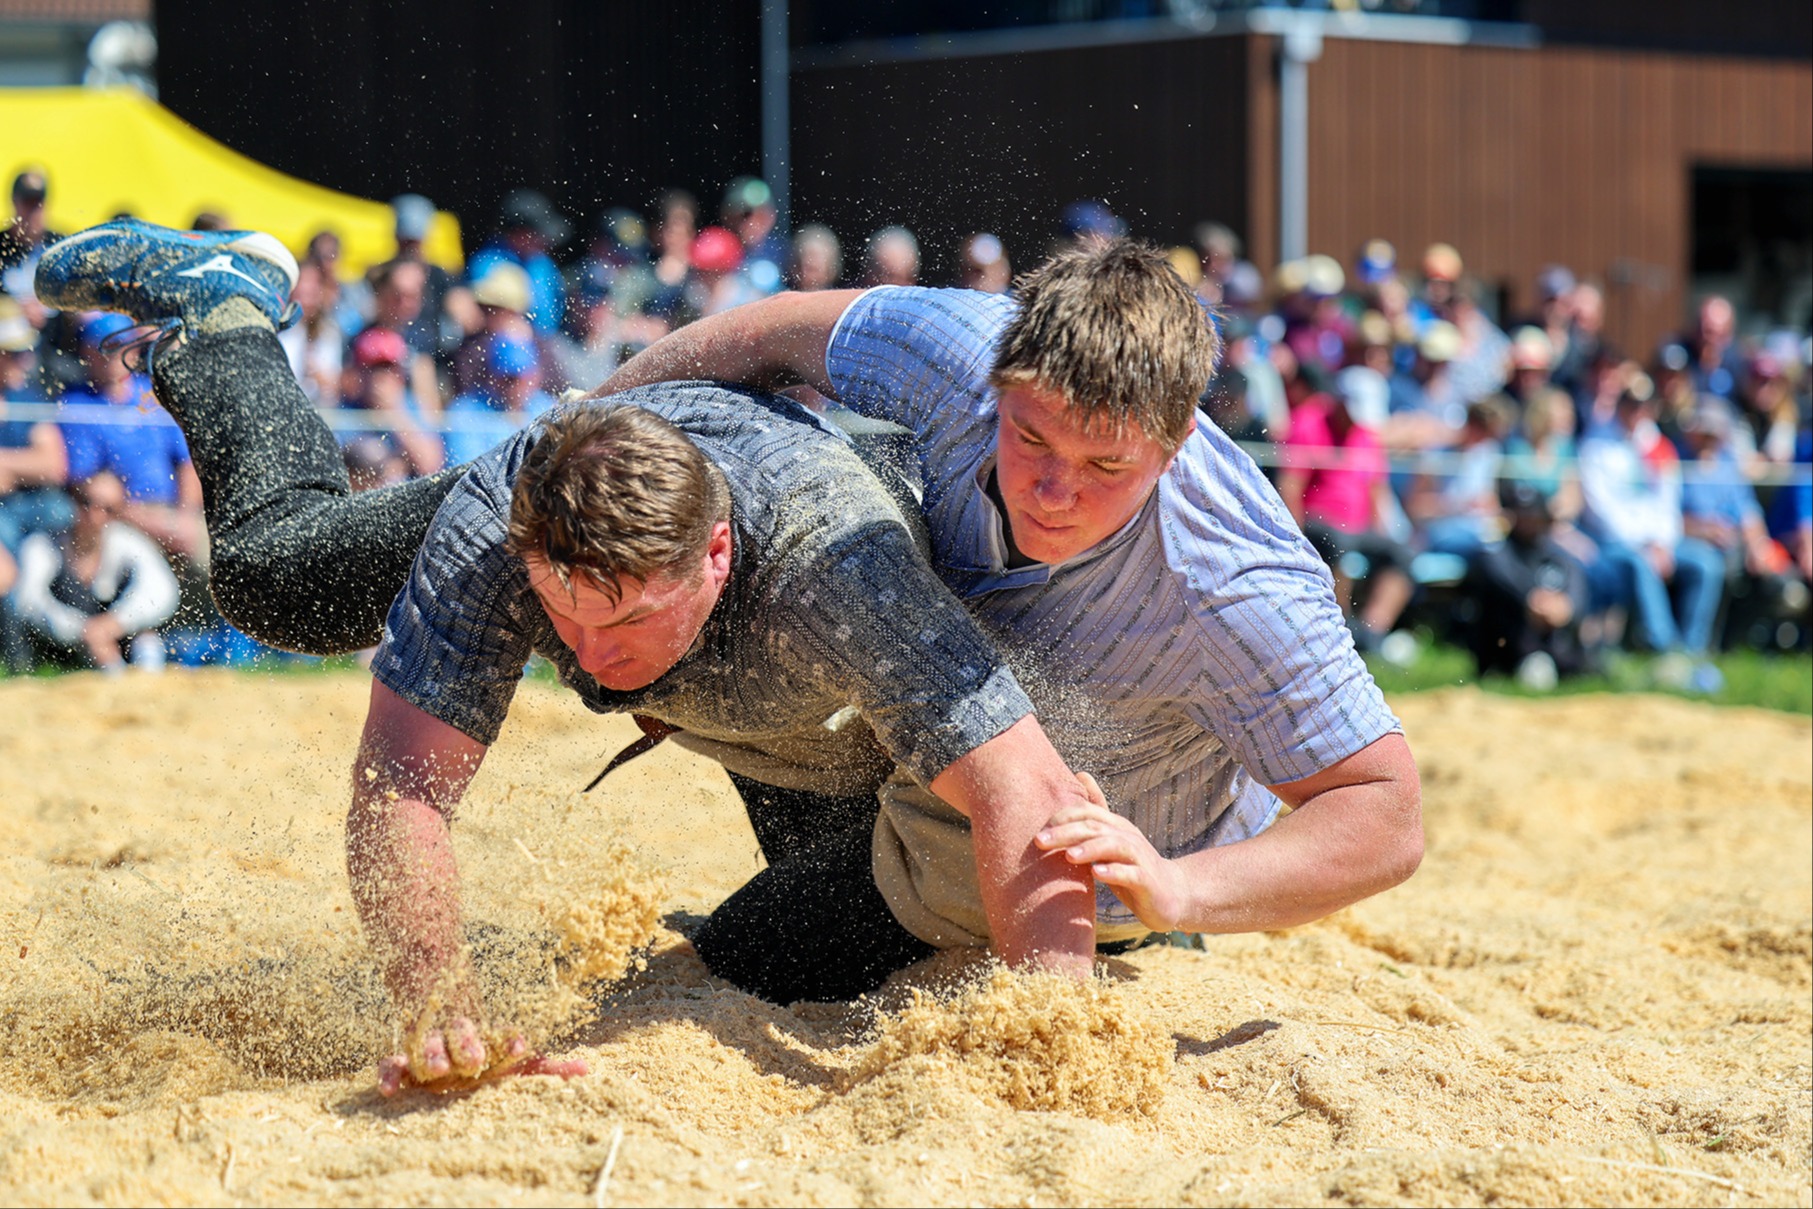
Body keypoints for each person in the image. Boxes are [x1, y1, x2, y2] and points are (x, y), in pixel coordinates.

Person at [36, 217, 1100, 1093]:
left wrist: (1056, 1052)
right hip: (615, 492)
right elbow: (401, 789)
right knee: (277, 578)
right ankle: (225, 310)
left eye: (629, 623)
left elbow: (1027, 788)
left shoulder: (837, 566)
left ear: (717, 558)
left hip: (829, 720)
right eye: (566, 621)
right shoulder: (497, 530)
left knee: (800, 953)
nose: (593, 657)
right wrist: (435, 1004)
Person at [596, 239, 1422, 973]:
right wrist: (580, 432)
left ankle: (1140, 935)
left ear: (1171, 452)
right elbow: (766, 329)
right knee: (841, 501)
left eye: (1105, 467)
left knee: (742, 956)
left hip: (1101, 838)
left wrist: (1177, 888)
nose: (1055, 493)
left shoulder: (1232, 586)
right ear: (999, 385)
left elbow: (1384, 813)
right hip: (928, 723)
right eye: (1031, 439)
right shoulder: (958, 350)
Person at [11, 471, 178, 673]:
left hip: (118, 639)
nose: (95, 515)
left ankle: (145, 686)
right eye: (87, 502)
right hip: (61, 649)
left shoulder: (128, 543)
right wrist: (81, 631)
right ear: (73, 501)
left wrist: (115, 623)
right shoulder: (44, 545)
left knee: (148, 642)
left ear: (119, 513)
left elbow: (162, 591)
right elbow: (28, 601)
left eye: (108, 509)